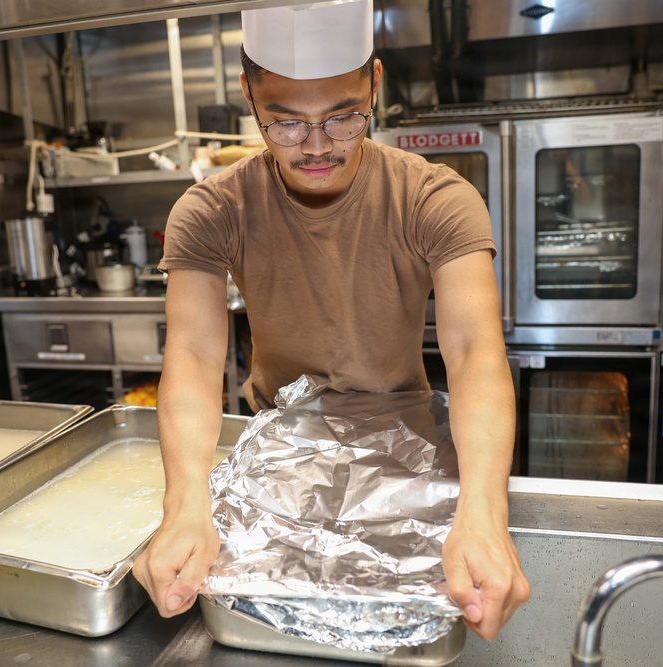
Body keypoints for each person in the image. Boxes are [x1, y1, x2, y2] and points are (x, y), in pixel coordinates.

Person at [133, 0, 530, 641]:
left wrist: (484, 511)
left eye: (344, 119)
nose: (317, 147)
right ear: (249, 96)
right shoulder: (211, 209)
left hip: (408, 454)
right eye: (284, 124)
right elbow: (195, 358)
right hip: (275, 457)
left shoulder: (435, 198)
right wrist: (185, 503)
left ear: (375, 83)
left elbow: (473, 351)